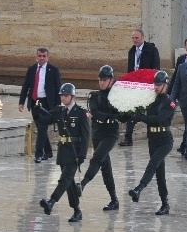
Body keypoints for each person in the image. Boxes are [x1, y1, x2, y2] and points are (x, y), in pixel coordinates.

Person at [37, 83, 90, 222]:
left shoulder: (81, 112)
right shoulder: (59, 111)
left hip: (74, 151)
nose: (63, 98)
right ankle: (77, 211)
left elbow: (86, 136)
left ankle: (52, 201)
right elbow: (46, 120)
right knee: (69, 183)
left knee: (64, 179)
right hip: (63, 151)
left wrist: (82, 155)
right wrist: (37, 111)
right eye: (62, 95)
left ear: (73, 96)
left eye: (66, 95)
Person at [127, 70, 175, 215]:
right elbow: (136, 113)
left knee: (152, 165)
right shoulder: (150, 100)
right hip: (152, 140)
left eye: (159, 84)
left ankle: (139, 188)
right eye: (155, 84)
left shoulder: (169, 103)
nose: (156, 87)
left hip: (165, 140)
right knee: (160, 173)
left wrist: (141, 118)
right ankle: (165, 204)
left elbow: (159, 119)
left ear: (165, 85)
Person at [77, 66, 122, 211]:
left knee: (97, 157)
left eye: (105, 80)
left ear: (111, 80)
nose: (102, 83)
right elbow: (96, 113)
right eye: (100, 80)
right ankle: (114, 200)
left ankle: (82, 184)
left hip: (110, 133)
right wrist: (113, 116)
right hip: (97, 132)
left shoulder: (118, 96)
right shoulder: (94, 96)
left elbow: (123, 115)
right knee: (105, 168)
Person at [18, 47, 62, 162]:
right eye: (40, 56)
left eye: (44, 56)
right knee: (40, 127)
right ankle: (48, 152)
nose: (42, 58)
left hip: (46, 103)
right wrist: (21, 102)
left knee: (42, 128)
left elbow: (59, 88)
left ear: (47, 57)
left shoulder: (53, 70)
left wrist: (59, 106)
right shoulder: (32, 69)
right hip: (34, 102)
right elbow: (26, 86)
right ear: (36, 56)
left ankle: (38, 154)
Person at [121, 29, 161, 146]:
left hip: (147, 84)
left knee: (150, 111)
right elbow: (130, 69)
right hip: (135, 85)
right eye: (133, 38)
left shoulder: (151, 50)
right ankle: (128, 137)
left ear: (143, 37)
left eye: (137, 38)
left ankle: (151, 135)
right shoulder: (131, 51)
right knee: (131, 111)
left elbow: (155, 68)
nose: (134, 40)